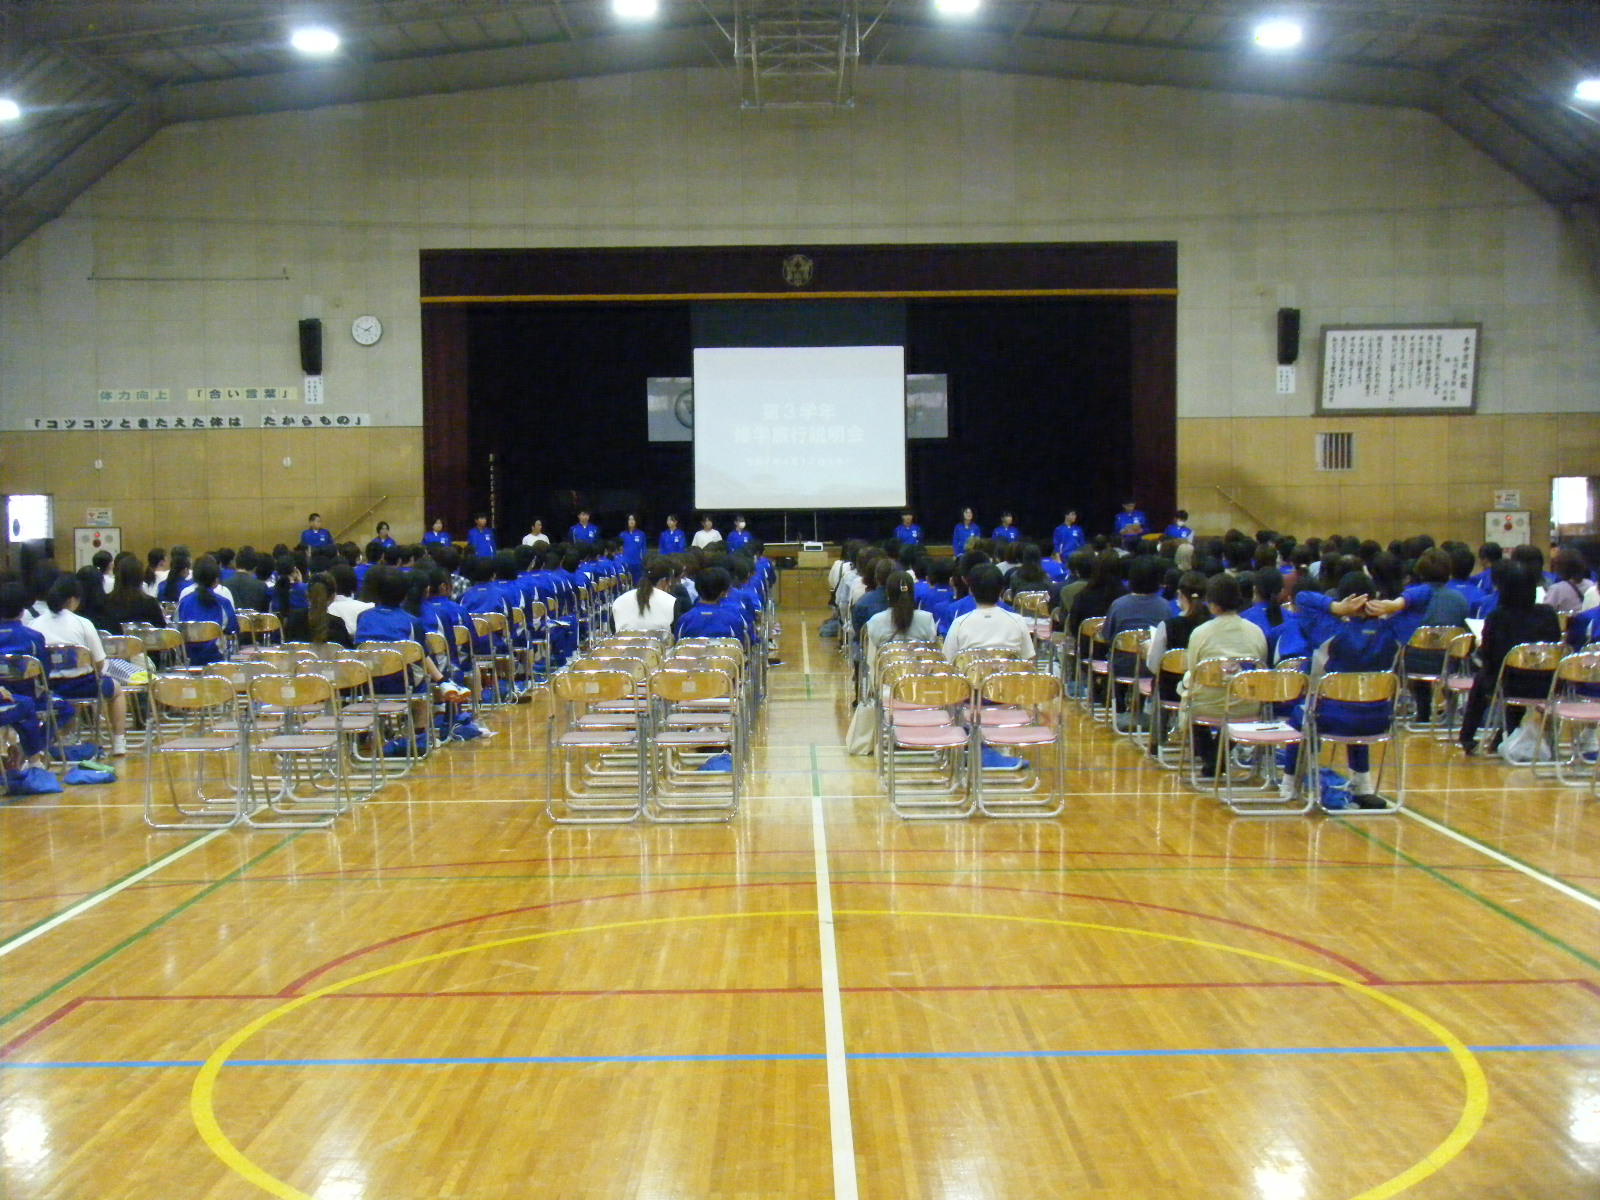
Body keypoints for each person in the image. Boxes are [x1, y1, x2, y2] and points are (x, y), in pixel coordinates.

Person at [1458, 562, 1563, 755]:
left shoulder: (1498, 617)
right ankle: (1502, 736)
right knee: (1516, 676)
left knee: (1485, 679)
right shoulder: (1548, 614)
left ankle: (1467, 736)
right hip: (1547, 685)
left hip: (1508, 683)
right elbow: (1555, 647)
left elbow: (1489, 656)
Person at [25, 575, 129, 756]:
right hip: (83, 687)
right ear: (73, 599)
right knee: (117, 690)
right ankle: (119, 741)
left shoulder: (34, 624)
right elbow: (98, 662)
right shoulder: (83, 623)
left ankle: (61, 740)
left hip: (49, 690)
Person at [1178, 575, 1267, 777]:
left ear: (1212, 603)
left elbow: (1192, 669)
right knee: (1231, 705)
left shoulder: (1200, 632)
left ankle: (1212, 759)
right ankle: (1216, 758)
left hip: (1206, 703)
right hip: (1246, 703)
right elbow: (1260, 668)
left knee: (1188, 693)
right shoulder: (1256, 631)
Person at [944, 564, 1033, 661]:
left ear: (971, 590)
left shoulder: (959, 623)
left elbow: (948, 660)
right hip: (1010, 671)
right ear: (1001, 590)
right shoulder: (1017, 620)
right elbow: (1028, 660)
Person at [862, 571, 937, 678]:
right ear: (912, 593)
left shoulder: (875, 621)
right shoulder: (927, 618)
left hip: (887, 683)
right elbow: (932, 656)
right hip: (920, 682)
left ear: (888, 594)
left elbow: (871, 662)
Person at [175, 557, 239, 665]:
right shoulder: (223, 603)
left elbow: (175, 628)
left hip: (188, 659)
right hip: (216, 659)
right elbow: (233, 630)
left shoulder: (184, 602)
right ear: (216, 580)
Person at [676, 567, 746, 640]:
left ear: (697, 587)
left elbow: (679, 644)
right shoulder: (734, 619)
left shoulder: (684, 620)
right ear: (724, 592)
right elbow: (740, 645)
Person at [103, 555, 167, 631]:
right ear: (140, 577)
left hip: (115, 639)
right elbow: (161, 630)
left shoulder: (105, 602)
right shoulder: (150, 603)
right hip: (144, 638)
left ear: (117, 576)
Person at [612, 560, 677, 634]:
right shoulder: (671, 602)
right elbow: (676, 634)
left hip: (623, 641)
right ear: (664, 581)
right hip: (661, 641)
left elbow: (614, 631)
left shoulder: (619, 601)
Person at [619, 514, 648, 579]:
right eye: (630, 519)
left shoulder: (641, 534)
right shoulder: (622, 534)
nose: (631, 521)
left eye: (633, 519)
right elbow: (619, 550)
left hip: (637, 563)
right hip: (625, 564)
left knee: (637, 582)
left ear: (636, 521)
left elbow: (644, 550)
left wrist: (643, 561)